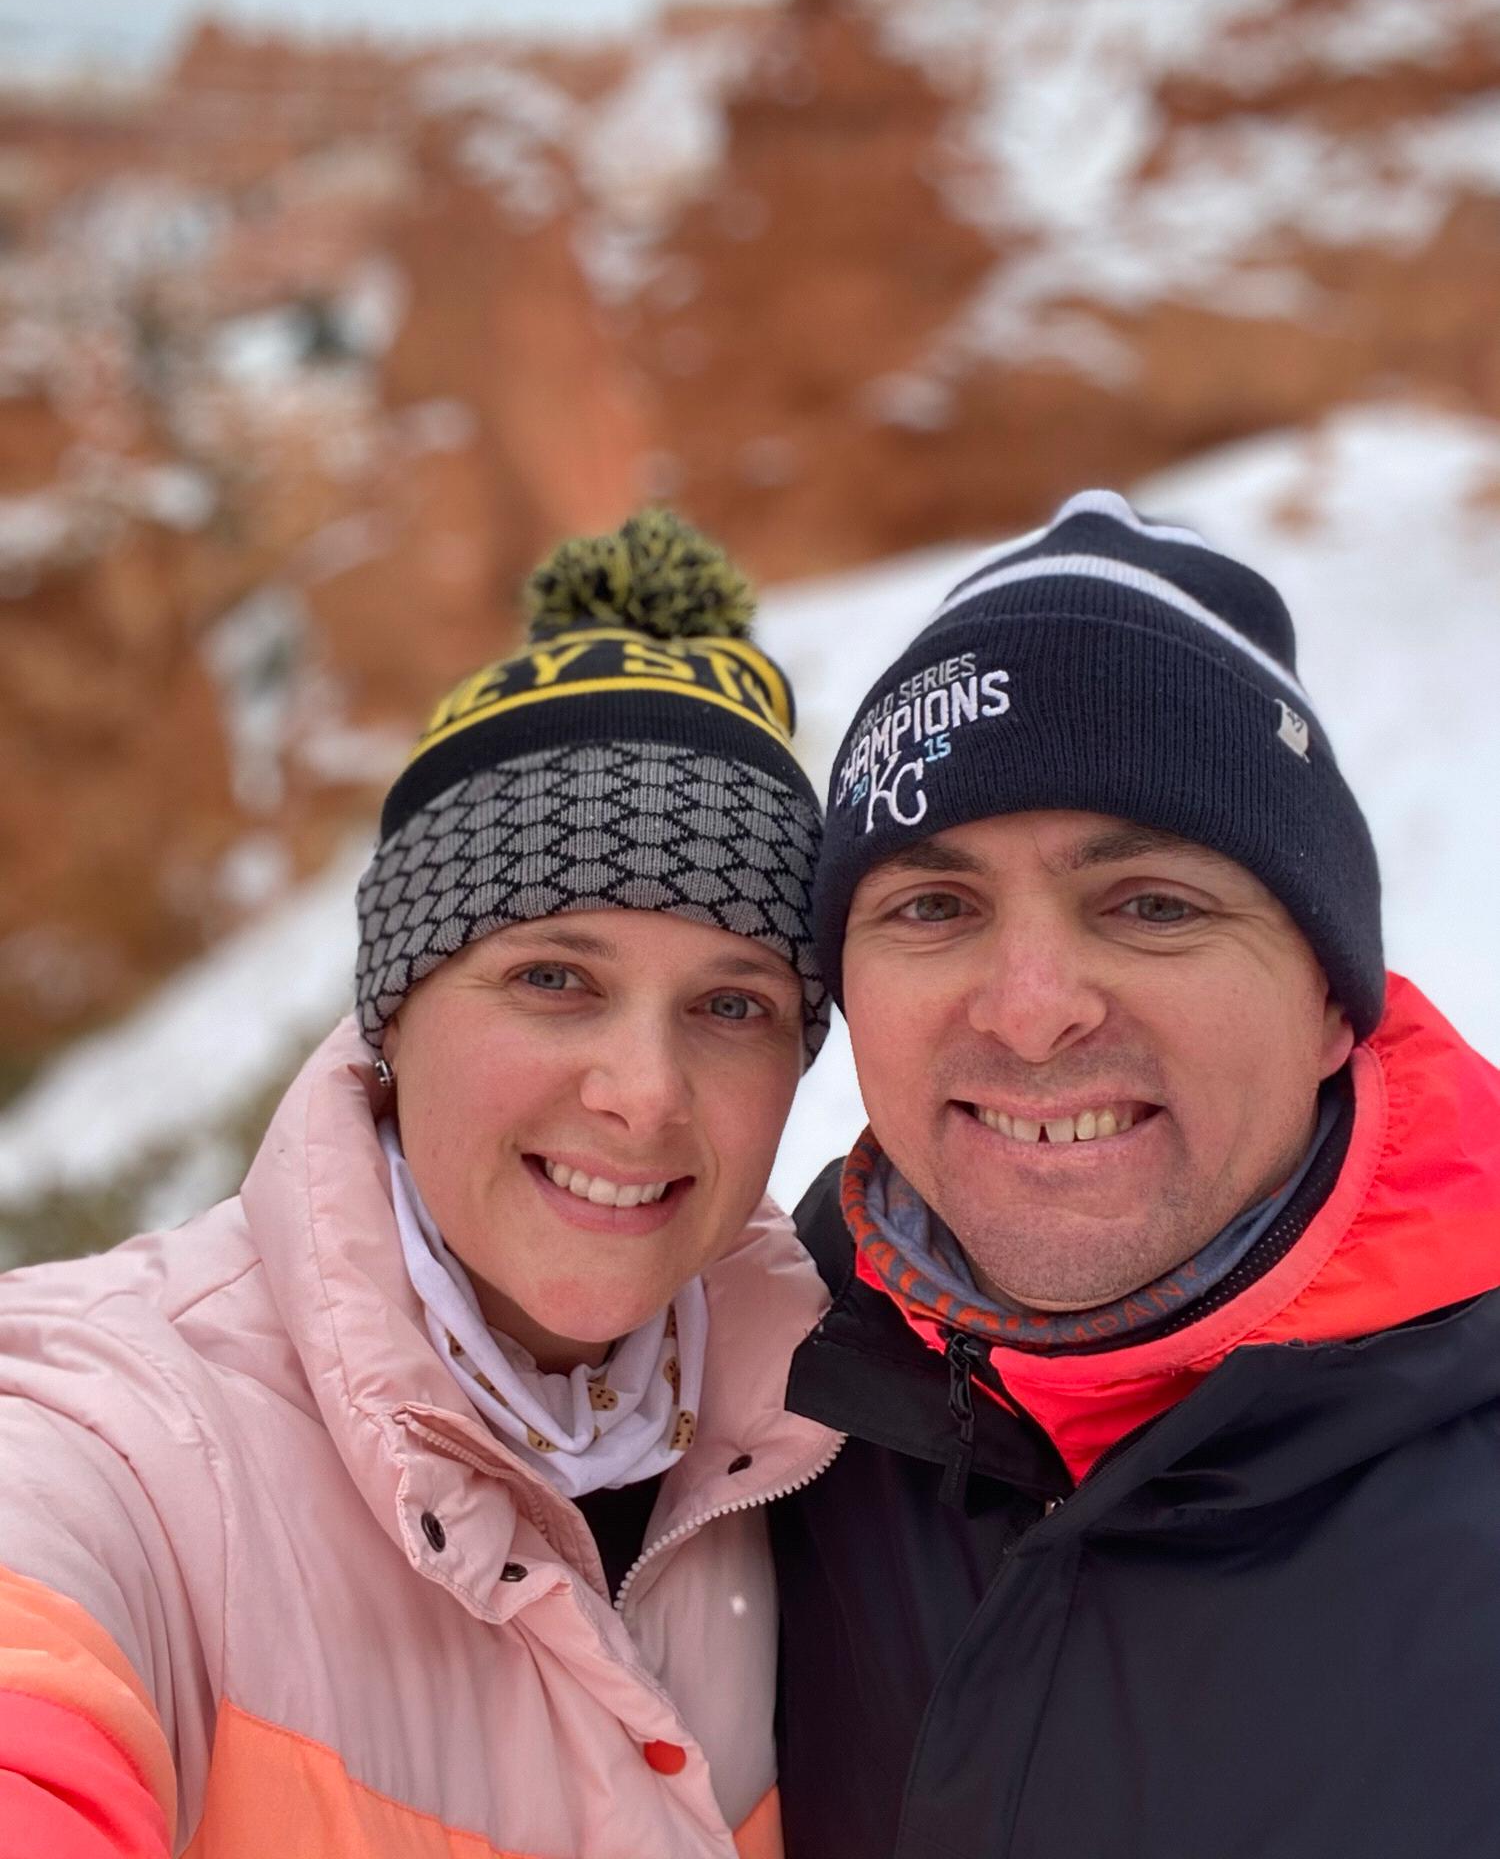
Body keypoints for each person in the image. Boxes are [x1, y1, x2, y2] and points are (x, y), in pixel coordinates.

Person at [0, 510, 841, 1859]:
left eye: (734, 1006)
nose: (643, 1092)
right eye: (554, 980)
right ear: (394, 1020)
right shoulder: (126, 1437)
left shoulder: (843, 1447)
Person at [771, 488, 1500, 1858]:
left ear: (1336, 1001)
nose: (1031, 1009)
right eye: (935, 907)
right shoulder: (722, 1427)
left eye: (1152, 905)